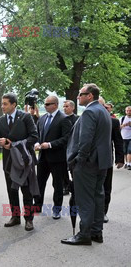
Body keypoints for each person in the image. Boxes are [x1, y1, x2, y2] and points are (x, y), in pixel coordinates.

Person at [62, 84, 112, 246]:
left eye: (80, 94)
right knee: (98, 197)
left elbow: (86, 140)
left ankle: (84, 234)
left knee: (85, 200)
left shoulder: (90, 111)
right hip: (102, 162)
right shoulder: (103, 110)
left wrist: (79, 160)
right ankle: (97, 233)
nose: (78, 97)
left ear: (89, 96)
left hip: (88, 164)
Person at [0, 93, 39, 231]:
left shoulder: (25, 117)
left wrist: (14, 144)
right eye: (2, 104)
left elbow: (34, 136)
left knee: (26, 191)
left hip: (24, 159)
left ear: (14, 104)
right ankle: (15, 217)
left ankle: (29, 219)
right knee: (11, 190)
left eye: (5, 104)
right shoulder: (0, 121)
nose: (2, 106)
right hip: (8, 161)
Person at [34, 96, 72, 219]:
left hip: (57, 158)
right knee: (39, 183)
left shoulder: (64, 119)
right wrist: (37, 143)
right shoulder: (42, 118)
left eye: (48, 104)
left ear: (55, 105)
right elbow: (38, 135)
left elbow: (66, 138)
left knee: (58, 185)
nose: (45, 106)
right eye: (44, 104)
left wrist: (50, 145)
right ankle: (38, 205)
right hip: (43, 158)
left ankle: (57, 209)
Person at [98, 97, 124, 224]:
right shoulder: (87, 118)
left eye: (105, 107)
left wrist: (120, 159)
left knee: (106, 187)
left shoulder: (114, 122)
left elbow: (118, 141)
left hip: (107, 159)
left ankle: (103, 212)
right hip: (90, 161)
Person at [62, 100, 79, 194]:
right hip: (63, 148)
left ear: (73, 108)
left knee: (73, 169)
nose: (64, 108)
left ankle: (75, 186)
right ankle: (66, 186)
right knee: (63, 169)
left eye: (67, 106)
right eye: (64, 106)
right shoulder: (61, 118)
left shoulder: (77, 119)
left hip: (73, 148)